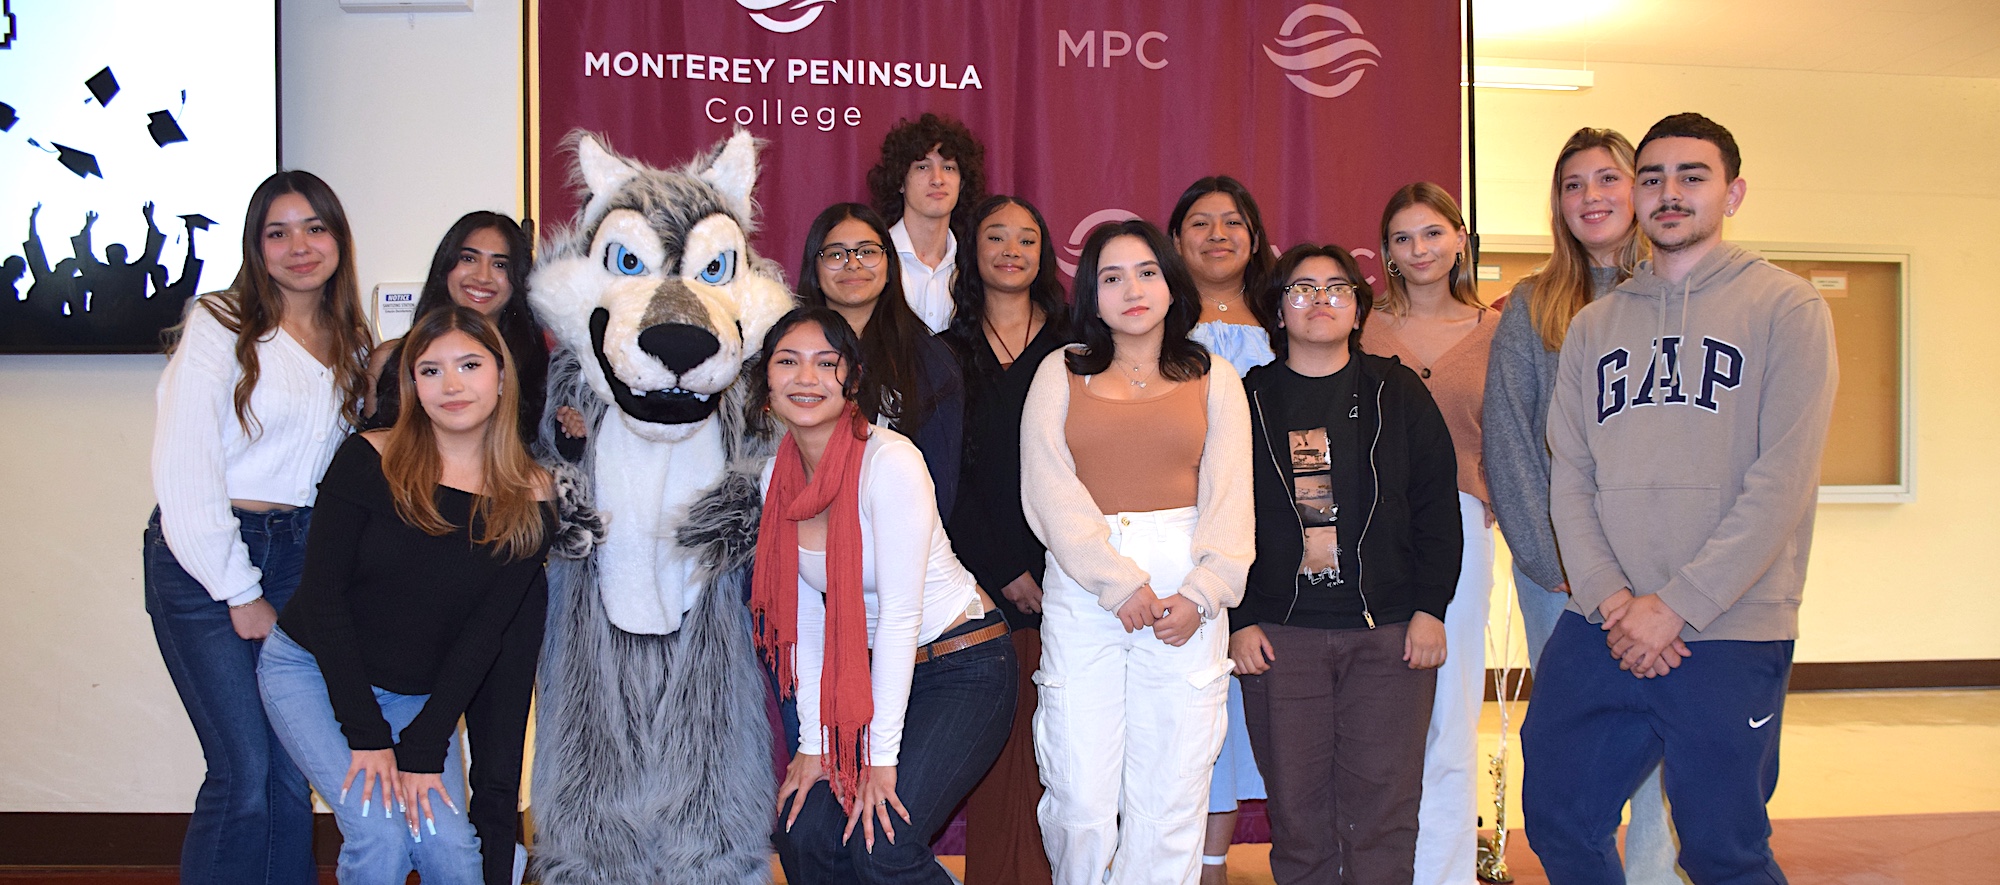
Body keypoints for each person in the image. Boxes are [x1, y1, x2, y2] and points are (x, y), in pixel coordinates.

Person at [1525, 113, 1837, 885]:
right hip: (1602, 623)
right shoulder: (1596, 326)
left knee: (1721, 850)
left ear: (1731, 191)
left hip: (1728, 626)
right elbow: (1572, 478)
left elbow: (1782, 480)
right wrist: (1615, 599)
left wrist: (1678, 603)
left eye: (1691, 176)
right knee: (1561, 824)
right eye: (1653, 177)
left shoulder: (1787, 309)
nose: (1670, 192)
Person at [257, 306, 554, 885]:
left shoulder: (532, 494)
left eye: (469, 365)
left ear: (500, 373)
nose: (452, 385)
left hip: (418, 697)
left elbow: (484, 635)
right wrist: (366, 738)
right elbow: (323, 599)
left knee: (450, 852)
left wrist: (422, 746)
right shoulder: (369, 458)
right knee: (382, 836)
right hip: (314, 671)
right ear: (411, 385)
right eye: (430, 370)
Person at [145, 170, 372, 885]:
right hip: (205, 557)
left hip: (301, 555)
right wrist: (238, 587)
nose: (298, 246)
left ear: (338, 238)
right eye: (278, 232)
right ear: (256, 245)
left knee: (286, 773)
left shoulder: (351, 342)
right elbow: (185, 468)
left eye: (314, 228)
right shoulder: (221, 323)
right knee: (243, 769)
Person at [1021, 219, 1253, 885]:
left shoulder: (1215, 376)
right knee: (1080, 794)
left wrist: (1205, 593)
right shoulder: (1059, 372)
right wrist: (1117, 582)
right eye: (1112, 276)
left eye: (1147, 271)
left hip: (1188, 590)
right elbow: (1047, 489)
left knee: (1171, 793)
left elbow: (1233, 499)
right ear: (1092, 296)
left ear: (1171, 284)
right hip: (1087, 590)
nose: (1132, 289)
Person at [755, 307, 1018, 884]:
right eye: (788, 362)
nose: (807, 378)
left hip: (962, 665)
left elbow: (901, 615)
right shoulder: (775, 478)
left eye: (827, 363)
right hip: (874, 675)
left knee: (882, 845)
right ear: (765, 382)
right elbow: (807, 619)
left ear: (852, 380)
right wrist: (813, 744)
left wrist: (879, 761)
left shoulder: (890, 461)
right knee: (805, 835)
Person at [1482, 128, 1681, 884]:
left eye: (1608, 178)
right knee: (1586, 735)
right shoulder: (1533, 306)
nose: (1591, 196)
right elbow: (1509, 437)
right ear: (1557, 203)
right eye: (1573, 184)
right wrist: (1558, 563)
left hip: (1666, 571)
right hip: (1561, 579)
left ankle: (1657, 873)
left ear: (1640, 191)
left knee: (1667, 733)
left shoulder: (1677, 297)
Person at [1232, 243, 1461, 884]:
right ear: (1278, 311)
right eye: (1302, 288)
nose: (1321, 300)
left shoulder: (1397, 391)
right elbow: (1220, 516)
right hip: (1280, 636)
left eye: (1337, 287)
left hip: (1387, 633)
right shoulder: (1245, 400)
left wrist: (1428, 610)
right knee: (1299, 815)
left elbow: (1434, 508)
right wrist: (1240, 618)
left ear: (1359, 309)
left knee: (1384, 811)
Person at [1361, 181, 1497, 885]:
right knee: (1377, 713)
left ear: (1459, 240)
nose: (1419, 250)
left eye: (1433, 234)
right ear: (1384, 251)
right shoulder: (1361, 325)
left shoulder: (1495, 330)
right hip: (1368, 532)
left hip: (1461, 531)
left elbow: (1517, 429)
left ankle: (1443, 872)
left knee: (1448, 710)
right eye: (1403, 238)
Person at [942, 195, 1070, 885]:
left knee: (1065, 756)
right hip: (977, 583)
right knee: (997, 753)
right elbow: (940, 477)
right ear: (973, 249)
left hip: (1072, 582)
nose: (1012, 249)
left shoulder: (1079, 347)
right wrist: (1003, 567)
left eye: (1027, 237)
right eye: (996, 236)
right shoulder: (943, 353)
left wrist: (1058, 567)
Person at [1167, 174, 1275, 881]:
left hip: (1268, 547)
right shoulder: (1155, 323)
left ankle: (1211, 867)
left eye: (1231, 221)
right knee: (1183, 713)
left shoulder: (1289, 322)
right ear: (1175, 240)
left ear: (1255, 238)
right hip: (1176, 545)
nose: (1216, 234)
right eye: (1199, 223)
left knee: (1237, 718)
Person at [798, 202, 964, 516]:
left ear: (889, 266)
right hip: (801, 538)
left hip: (897, 542)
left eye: (867, 252)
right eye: (835, 254)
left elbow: (939, 487)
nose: (852, 265)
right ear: (814, 271)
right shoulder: (786, 357)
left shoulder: (932, 362)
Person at [362, 212, 552, 446]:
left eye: (500, 265)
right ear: (446, 267)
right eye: (469, 259)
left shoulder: (540, 371)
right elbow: (373, 454)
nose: (483, 277)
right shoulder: (389, 360)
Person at [867, 112, 987, 333]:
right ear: (900, 181)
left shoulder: (976, 264)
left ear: (962, 184)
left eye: (949, 168)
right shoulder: (872, 258)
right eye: (923, 167)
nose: (937, 179)